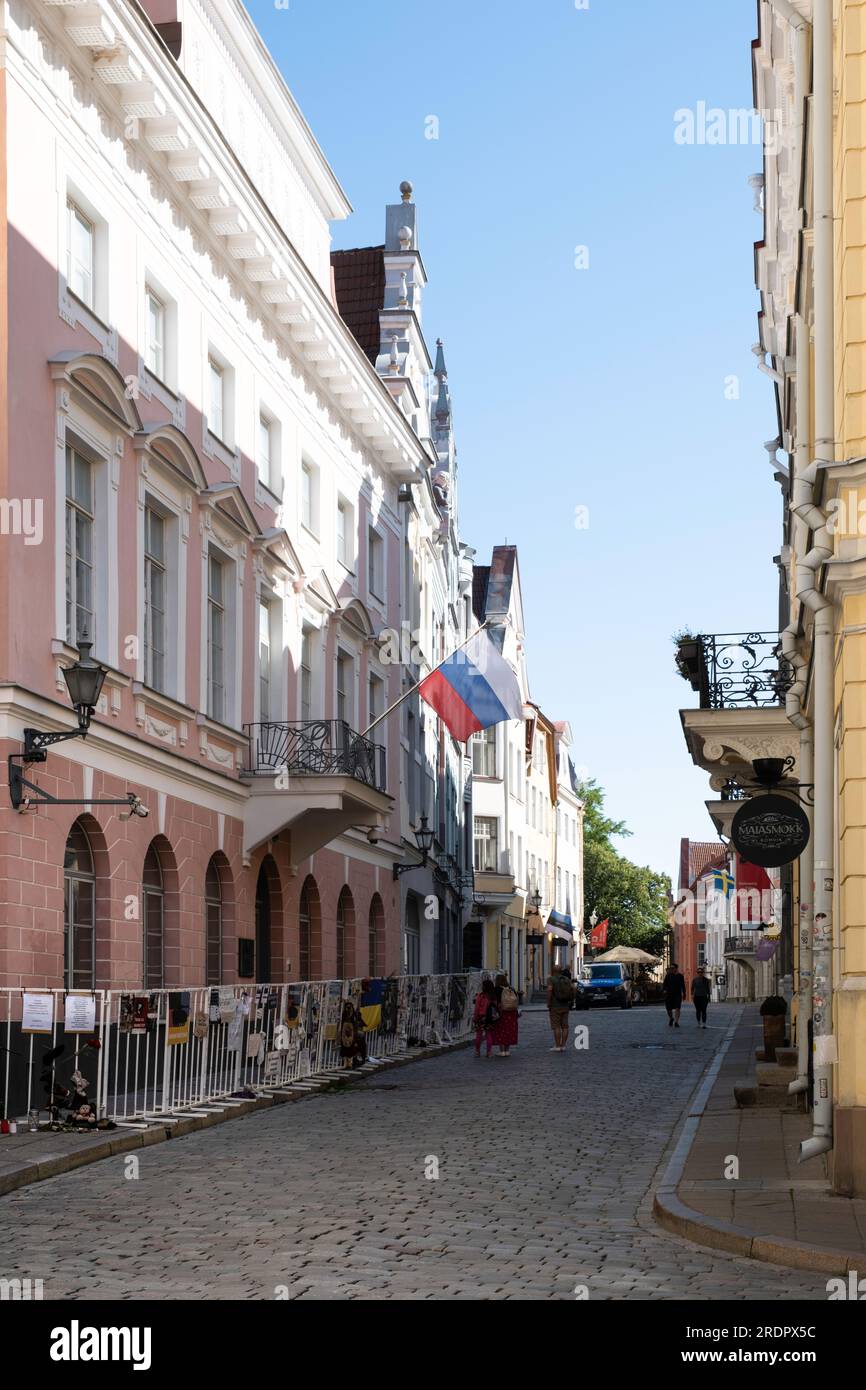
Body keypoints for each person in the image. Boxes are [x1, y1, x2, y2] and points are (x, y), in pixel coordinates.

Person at [491, 972, 519, 1056]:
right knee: (509, 1030)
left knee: (501, 1030)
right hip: (512, 1012)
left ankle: (502, 1050)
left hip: (501, 1012)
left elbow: (493, 1001)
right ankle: (507, 1050)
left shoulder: (496, 989)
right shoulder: (511, 988)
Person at [547, 967, 574, 1051]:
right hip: (565, 1005)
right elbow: (573, 989)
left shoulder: (551, 979)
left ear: (553, 971)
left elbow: (550, 991)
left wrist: (548, 1002)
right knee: (565, 1026)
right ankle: (563, 1045)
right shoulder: (566, 979)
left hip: (555, 1006)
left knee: (556, 1026)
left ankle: (558, 1046)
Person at [472, 979, 498, 1058]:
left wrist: (475, 1017)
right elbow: (496, 1007)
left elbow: (476, 1008)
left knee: (479, 1035)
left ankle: (477, 1051)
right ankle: (489, 1052)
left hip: (481, 1017)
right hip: (490, 1017)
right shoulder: (493, 996)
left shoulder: (481, 996)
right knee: (489, 1035)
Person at [663, 962, 687, 1028]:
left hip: (677, 995)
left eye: (672, 968)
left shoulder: (680, 976)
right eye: (670, 968)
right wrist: (664, 990)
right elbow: (664, 984)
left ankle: (676, 1021)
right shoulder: (668, 976)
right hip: (669, 995)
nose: (671, 969)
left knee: (677, 1008)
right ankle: (671, 1018)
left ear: (676, 968)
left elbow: (683, 986)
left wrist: (684, 994)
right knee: (668, 1009)